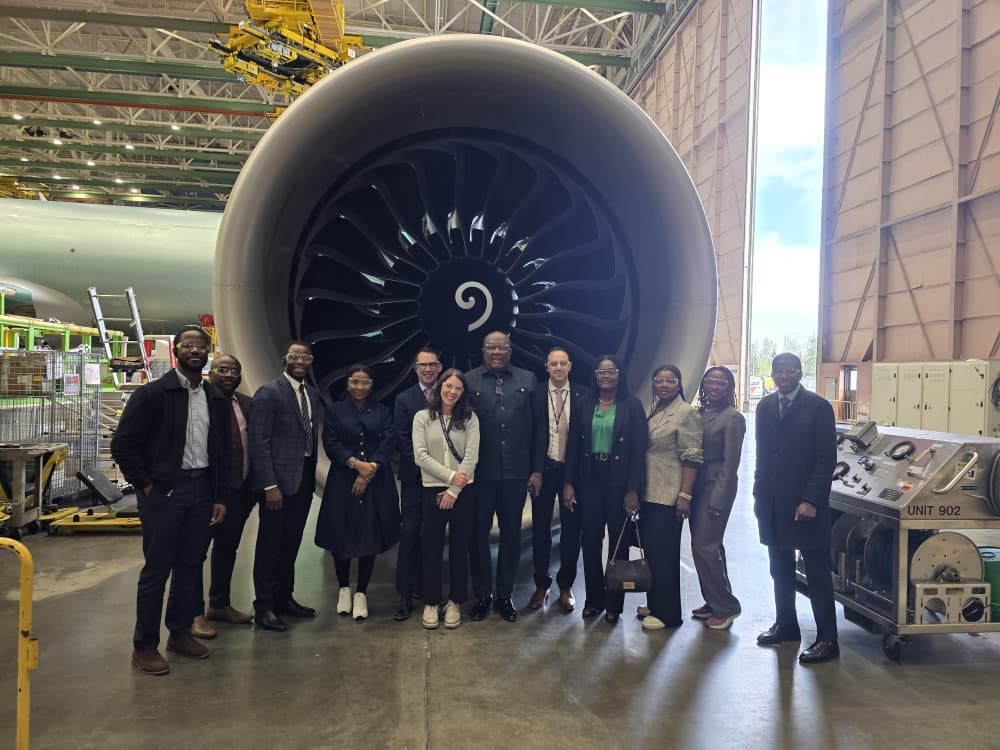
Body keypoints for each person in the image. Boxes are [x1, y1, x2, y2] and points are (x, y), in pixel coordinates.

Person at [111, 324, 230, 676]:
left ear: (207, 353)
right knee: (157, 570)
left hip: (201, 490)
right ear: (176, 351)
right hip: (164, 493)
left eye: (201, 346)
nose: (195, 350)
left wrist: (219, 495)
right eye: (187, 345)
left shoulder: (214, 398)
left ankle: (179, 633)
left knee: (190, 566)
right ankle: (144, 645)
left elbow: (221, 451)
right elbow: (123, 445)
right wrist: (147, 487)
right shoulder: (153, 395)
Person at [754, 352, 838, 664]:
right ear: (773, 374)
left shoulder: (817, 407)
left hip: (805, 503)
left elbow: (826, 458)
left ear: (800, 373)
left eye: (791, 370)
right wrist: (759, 494)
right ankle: (786, 625)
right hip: (773, 501)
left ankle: (828, 639)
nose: (784, 375)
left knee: (816, 573)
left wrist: (811, 499)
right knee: (779, 567)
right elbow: (763, 454)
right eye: (779, 370)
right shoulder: (765, 406)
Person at [563, 355, 647, 624]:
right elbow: (573, 447)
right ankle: (593, 600)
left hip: (619, 482)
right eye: (602, 371)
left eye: (611, 371)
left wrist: (633, 489)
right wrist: (568, 483)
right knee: (590, 542)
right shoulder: (584, 404)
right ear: (595, 375)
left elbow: (638, 451)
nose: (606, 376)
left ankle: (613, 604)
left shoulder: (632, 406)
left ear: (620, 375)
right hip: (589, 481)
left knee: (618, 544)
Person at [465, 330, 543, 623]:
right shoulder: (469, 381)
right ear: (483, 350)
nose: (497, 352)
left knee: (512, 535)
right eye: (492, 347)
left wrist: (536, 469)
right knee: (478, 535)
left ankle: (505, 595)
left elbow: (539, 428)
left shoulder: (528, 380)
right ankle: (482, 595)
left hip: (515, 473)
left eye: (502, 347)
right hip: (480, 475)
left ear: (510, 350)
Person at [315, 364, 399, 621]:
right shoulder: (334, 411)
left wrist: (369, 469)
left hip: (375, 479)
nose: (359, 387)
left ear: (372, 386)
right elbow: (330, 442)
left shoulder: (383, 411)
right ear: (347, 383)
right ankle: (344, 587)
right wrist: (355, 464)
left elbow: (389, 441)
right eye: (355, 382)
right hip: (343, 479)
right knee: (341, 535)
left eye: (365, 383)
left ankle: (361, 591)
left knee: (368, 536)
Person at [249, 340, 320, 632]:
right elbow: (259, 441)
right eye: (295, 356)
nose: (300, 361)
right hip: (277, 485)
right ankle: (263, 606)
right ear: (284, 360)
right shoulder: (269, 392)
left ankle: (283, 598)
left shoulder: (311, 394)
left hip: (303, 481)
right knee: (270, 544)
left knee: (291, 542)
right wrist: (269, 485)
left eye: (306, 358)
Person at [192, 355, 255, 639]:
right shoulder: (197, 402)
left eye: (235, 371)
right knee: (195, 554)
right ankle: (193, 613)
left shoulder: (246, 403)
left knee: (227, 549)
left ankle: (218, 604)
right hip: (205, 492)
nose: (229, 375)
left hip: (238, 491)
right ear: (211, 372)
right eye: (223, 369)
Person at [412, 369, 480, 629]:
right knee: (431, 548)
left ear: (463, 393)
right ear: (440, 387)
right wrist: (451, 477)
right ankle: (431, 602)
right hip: (432, 489)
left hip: (463, 491)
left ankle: (454, 602)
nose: (452, 392)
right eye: (448, 386)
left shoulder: (470, 418)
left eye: (458, 388)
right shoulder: (422, 418)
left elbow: (472, 456)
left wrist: (453, 491)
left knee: (460, 548)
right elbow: (420, 456)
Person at [638, 365, 703, 631]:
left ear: (679, 384)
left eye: (670, 381)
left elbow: (692, 457)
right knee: (653, 552)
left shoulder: (686, 413)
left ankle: (668, 615)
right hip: (649, 491)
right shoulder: (655, 408)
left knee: (664, 555)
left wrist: (685, 495)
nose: (664, 385)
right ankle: (655, 603)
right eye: (659, 381)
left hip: (668, 493)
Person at [528, 346, 585, 613]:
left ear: (570, 366)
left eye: (563, 363)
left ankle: (565, 586)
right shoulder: (536, 394)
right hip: (544, 470)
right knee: (540, 531)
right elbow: (529, 434)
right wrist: (534, 470)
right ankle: (542, 585)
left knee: (572, 531)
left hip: (571, 473)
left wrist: (572, 479)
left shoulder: (583, 395)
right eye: (554, 364)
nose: (558, 368)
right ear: (546, 367)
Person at [689, 366, 745, 630]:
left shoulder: (732, 418)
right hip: (696, 488)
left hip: (715, 488)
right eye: (710, 381)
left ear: (729, 387)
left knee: (704, 547)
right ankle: (713, 600)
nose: (714, 386)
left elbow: (730, 464)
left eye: (721, 383)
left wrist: (718, 500)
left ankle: (727, 607)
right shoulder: (700, 413)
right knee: (710, 547)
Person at [392, 348, 443, 620]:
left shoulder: (448, 394)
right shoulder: (404, 399)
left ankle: (428, 588)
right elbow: (402, 440)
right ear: (415, 369)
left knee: (432, 535)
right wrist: (426, 469)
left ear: (439, 367)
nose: (428, 369)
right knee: (410, 533)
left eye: (432, 365)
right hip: (415, 479)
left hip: (441, 481)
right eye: (423, 365)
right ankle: (405, 593)